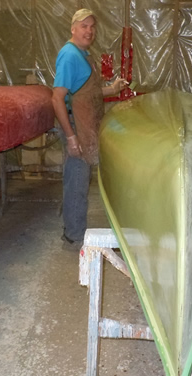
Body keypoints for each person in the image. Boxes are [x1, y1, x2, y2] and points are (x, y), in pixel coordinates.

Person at [52, 8, 126, 248]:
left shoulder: (84, 55)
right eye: (84, 26)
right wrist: (72, 137)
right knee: (76, 180)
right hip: (76, 125)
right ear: (73, 28)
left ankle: (74, 228)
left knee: (80, 180)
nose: (89, 30)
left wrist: (112, 89)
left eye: (92, 26)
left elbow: (87, 93)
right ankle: (74, 234)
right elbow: (57, 98)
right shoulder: (69, 55)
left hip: (84, 124)